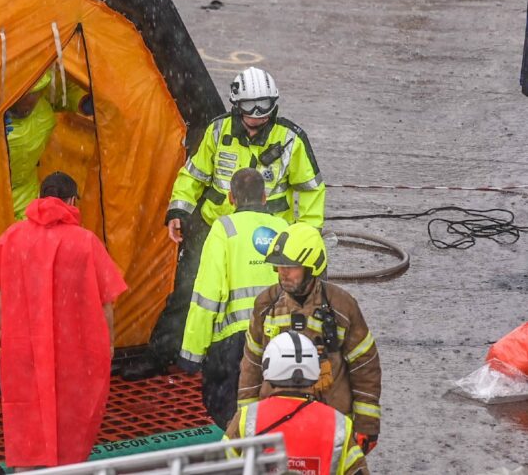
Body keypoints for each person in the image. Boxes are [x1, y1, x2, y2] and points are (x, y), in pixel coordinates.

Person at [125, 66, 325, 380]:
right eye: (250, 109)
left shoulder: (290, 140)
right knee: (190, 293)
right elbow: (193, 175)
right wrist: (179, 212)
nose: (258, 118)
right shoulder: (218, 133)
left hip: (268, 238)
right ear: (236, 106)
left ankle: (269, 362)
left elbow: (310, 190)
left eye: (265, 109)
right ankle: (165, 354)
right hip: (215, 232)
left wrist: (305, 240)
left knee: (273, 299)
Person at [0, 171, 127, 471]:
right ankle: (65, 467)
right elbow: (106, 302)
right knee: (71, 412)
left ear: (40, 197)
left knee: (26, 409)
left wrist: (0, 330)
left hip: (23, 344)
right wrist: (108, 342)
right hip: (73, 348)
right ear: (72, 201)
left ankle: (26, 466)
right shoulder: (86, 242)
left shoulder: (13, 236)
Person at [237, 222, 381, 456]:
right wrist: (244, 421)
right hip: (276, 424)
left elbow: (365, 366)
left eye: (290, 266)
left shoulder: (342, 307)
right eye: (279, 266)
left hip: (328, 422)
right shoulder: (266, 305)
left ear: (311, 266)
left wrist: (367, 424)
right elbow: (252, 365)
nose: (282, 272)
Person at [177, 168, 288, 429]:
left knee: (231, 414)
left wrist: (191, 354)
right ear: (264, 197)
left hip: (233, 343)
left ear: (230, 197)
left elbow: (206, 296)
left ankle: (241, 458)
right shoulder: (283, 228)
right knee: (273, 410)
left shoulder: (224, 229)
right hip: (278, 336)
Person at [224, 331, 369, 474]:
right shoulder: (339, 424)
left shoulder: (246, 418)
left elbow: (221, 466)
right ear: (314, 368)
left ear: (268, 365)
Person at [5, 70, 93, 220]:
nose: (31, 102)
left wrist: (83, 101)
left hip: (27, 191)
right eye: (26, 96)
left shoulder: (41, 105)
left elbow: (60, 94)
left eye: (36, 94)